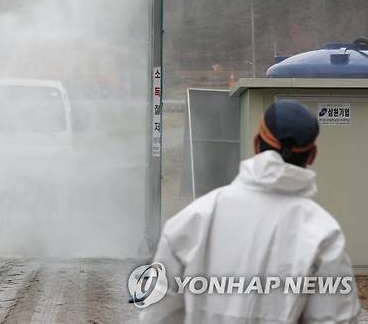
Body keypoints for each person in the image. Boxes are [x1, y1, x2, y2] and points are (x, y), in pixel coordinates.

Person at [149, 99, 361, 323]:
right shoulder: (323, 234)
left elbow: (157, 313)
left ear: (256, 144)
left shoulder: (193, 219)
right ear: (312, 155)